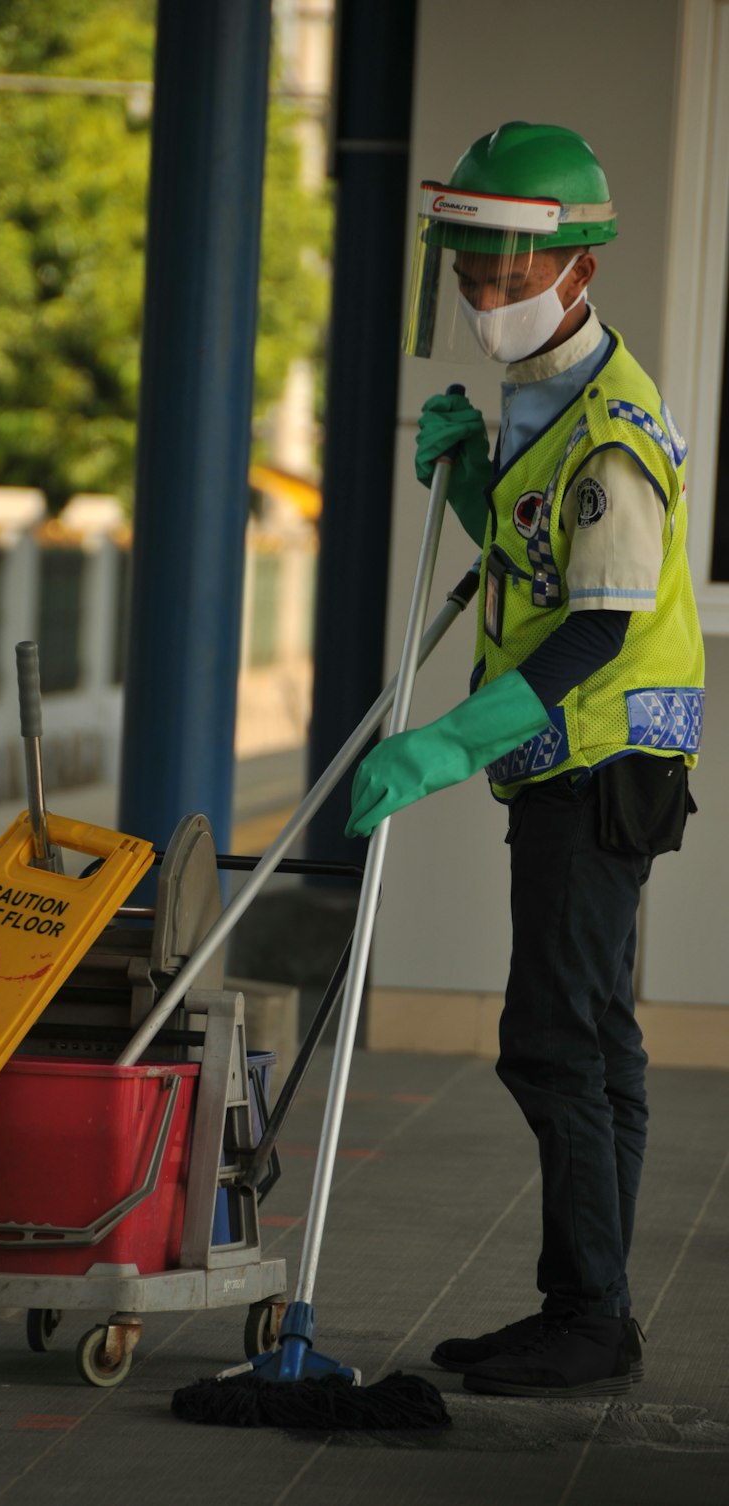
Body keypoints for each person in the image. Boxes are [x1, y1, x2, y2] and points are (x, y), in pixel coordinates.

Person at [346, 122, 705, 1399]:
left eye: (507, 275)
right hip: (584, 765)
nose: (485, 298)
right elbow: (543, 560)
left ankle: (588, 1316)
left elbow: (596, 628)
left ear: (577, 273)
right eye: (469, 274)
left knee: (553, 1039)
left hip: (596, 761)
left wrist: (445, 742)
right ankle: (588, 1308)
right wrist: (476, 482)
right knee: (595, 1037)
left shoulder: (611, 430)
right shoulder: (546, 406)